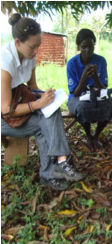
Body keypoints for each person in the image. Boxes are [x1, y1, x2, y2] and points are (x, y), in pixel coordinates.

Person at [1, 13, 84, 191]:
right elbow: (6, 109)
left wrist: (44, 96)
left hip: (18, 105)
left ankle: (58, 163)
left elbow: (32, 88)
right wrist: (38, 104)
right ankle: (55, 167)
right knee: (43, 124)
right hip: (4, 116)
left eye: (38, 46)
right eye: (32, 47)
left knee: (51, 111)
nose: (36, 52)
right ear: (17, 42)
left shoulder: (28, 57)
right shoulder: (4, 63)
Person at [67, 28, 112, 152]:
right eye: (84, 47)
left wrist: (95, 77)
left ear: (94, 45)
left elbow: (104, 88)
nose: (87, 50)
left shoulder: (100, 61)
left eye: (90, 46)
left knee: (110, 106)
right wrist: (84, 78)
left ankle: (96, 135)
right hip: (77, 98)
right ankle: (88, 135)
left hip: (97, 95)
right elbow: (75, 93)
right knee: (83, 108)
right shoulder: (72, 64)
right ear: (78, 47)